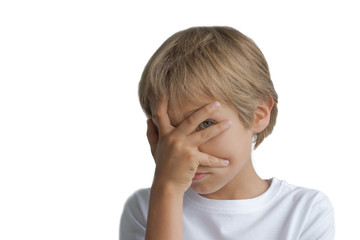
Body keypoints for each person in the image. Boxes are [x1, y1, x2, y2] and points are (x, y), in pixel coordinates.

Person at [120, 26, 335, 240]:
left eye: (205, 125)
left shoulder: (306, 211)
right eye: (169, 131)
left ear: (258, 115)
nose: (185, 151)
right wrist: (168, 189)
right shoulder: (146, 208)